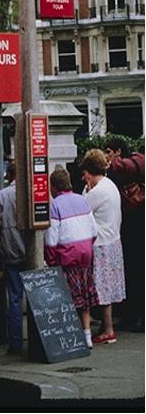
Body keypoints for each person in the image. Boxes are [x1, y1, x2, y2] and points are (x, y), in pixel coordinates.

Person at [44, 166, 98, 349]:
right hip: (86, 255)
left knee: (68, 300)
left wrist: (51, 260)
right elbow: (94, 230)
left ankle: (70, 337)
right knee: (85, 299)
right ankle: (87, 335)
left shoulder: (55, 206)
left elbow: (52, 238)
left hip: (67, 257)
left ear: (54, 186)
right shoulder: (82, 201)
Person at [81, 148, 126, 344]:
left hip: (101, 244)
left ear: (89, 171)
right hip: (113, 239)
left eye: (84, 174)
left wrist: (86, 190)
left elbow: (81, 208)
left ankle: (107, 329)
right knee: (106, 286)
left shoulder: (97, 192)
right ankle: (106, 327)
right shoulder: (110, 185)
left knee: (101, 287)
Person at [104, 137, 144, 332]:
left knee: (134, 272)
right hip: (136, 226)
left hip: (130, 228)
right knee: (135, 272)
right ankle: (133, 315)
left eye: (109, 153)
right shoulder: (138, 164)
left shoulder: (123, 168)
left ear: (118, 152)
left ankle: (135, 316)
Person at [0, 161, 26, 354]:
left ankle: (15, 343)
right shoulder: (32, 193)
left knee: (14, 298)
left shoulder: (2, 195)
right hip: (31, 252)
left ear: (9, 176)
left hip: (11, 250)